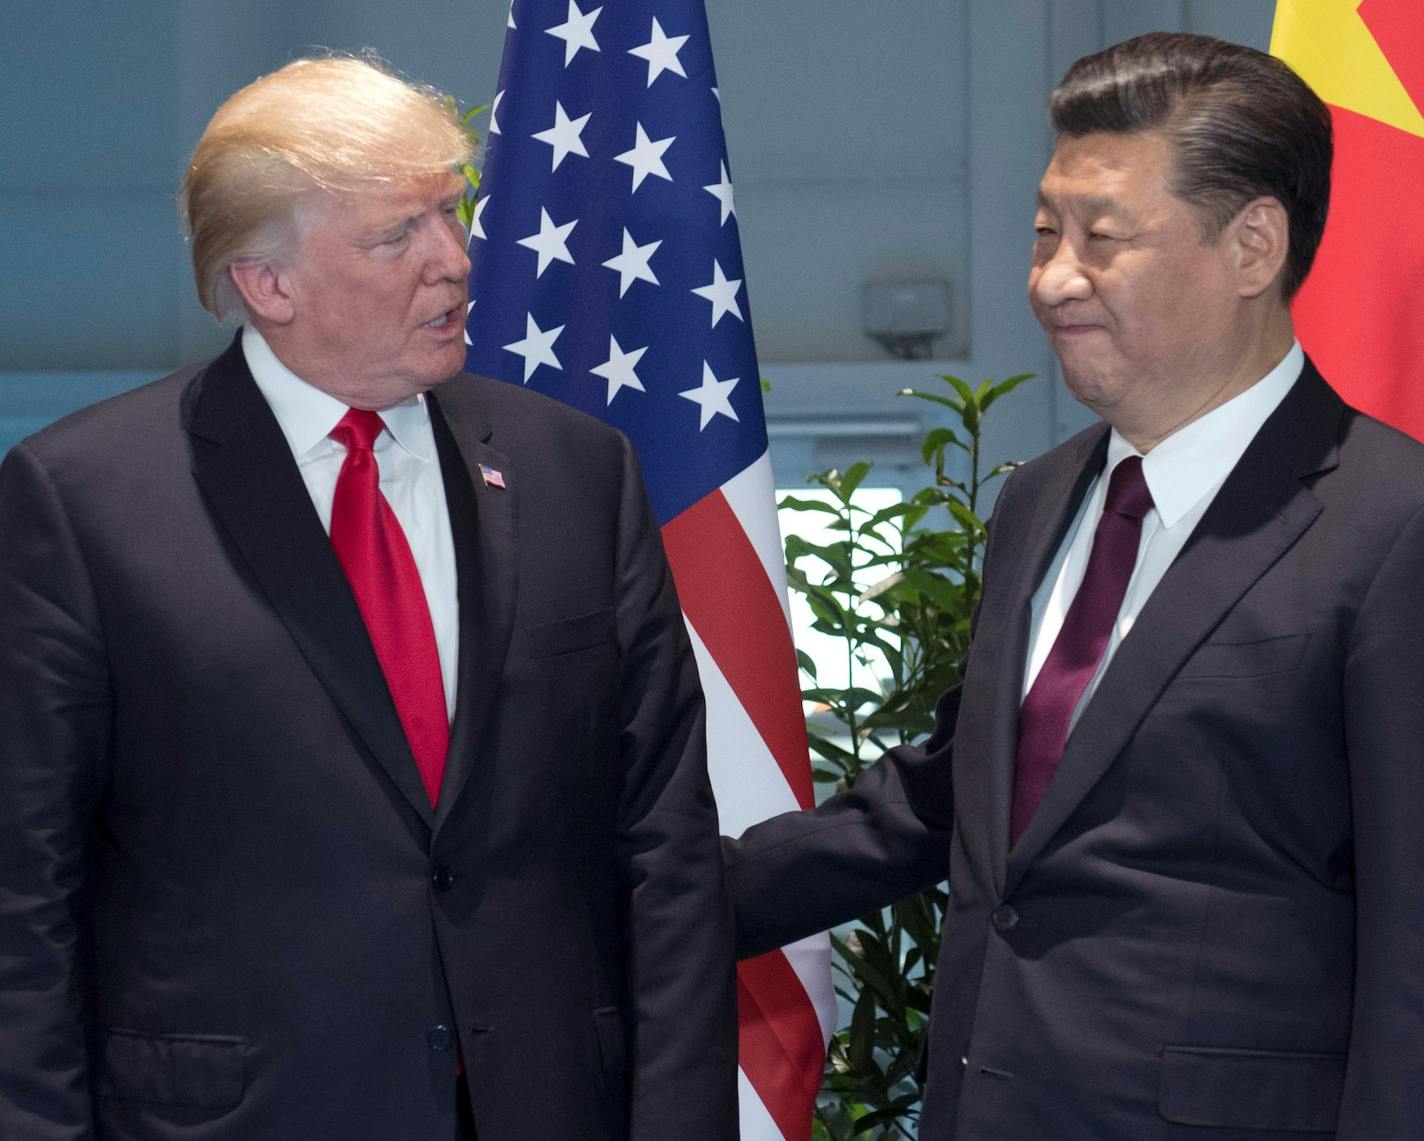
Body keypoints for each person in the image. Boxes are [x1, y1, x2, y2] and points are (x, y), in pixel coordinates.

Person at [0, 56, 736, 1141]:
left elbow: (664, 849)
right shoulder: (84, 501)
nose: (454, 261)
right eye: (398, 235)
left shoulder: (579, 471)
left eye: (451, 213)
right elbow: (24, 895)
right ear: (268, 283)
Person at [725, 32, 1424, 1140]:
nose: (1051, 280)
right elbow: (961, 792)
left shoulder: (1391, 523)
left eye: (1102, 239)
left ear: (1251, 247)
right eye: (1045, 231)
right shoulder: (1040, 502)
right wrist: (661, 894)